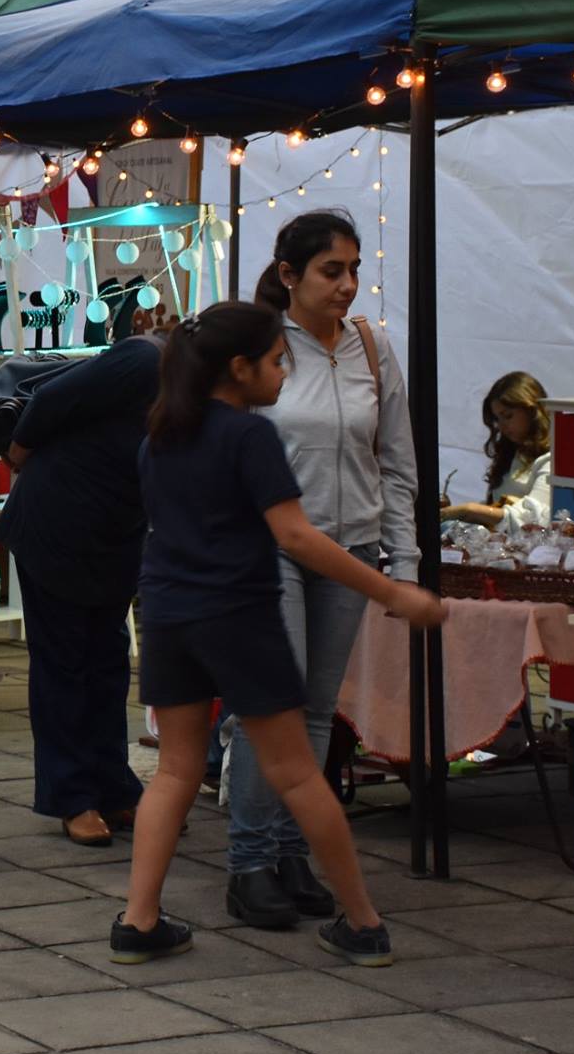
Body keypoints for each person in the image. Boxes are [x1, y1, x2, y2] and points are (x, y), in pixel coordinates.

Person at [114, 300, 444, 968]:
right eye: (274, 360)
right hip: (238, 614)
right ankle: (364, 923)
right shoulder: (249, 436)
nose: (285, 371)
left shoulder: (160, 436)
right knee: (297, 771)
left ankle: (137, 919)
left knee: (175, 769)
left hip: (169, 612)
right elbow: (294, 534)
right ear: (239, 369)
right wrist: (391, 591)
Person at [222, 211, 418, 932]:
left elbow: (397, 461)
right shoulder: (258, 346)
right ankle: (248, 862)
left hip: (352, 545)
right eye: (331, 271)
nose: (347, 285)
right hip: (270, 544)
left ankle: (289, 850)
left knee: (313, 707)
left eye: (353, 270)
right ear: (289, 275)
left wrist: (406, 557)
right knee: (269, 701)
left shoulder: (373, 346)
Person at [0, 327, 164, 846]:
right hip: (59, 521)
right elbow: (51, 398)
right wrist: (17, 453)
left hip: (115, 532)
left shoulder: (217, 402)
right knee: (64, 663)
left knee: (108, 662)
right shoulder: (145, 360)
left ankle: (113, 785)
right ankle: (71, 796)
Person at [442, 371, 552, 533]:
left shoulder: (553, 460)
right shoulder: (511, 454)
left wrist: (470, 509)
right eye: (497, 419)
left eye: (508, 416)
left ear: (532, 411)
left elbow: (535, 518)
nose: (501, 426)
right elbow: (499, 507)